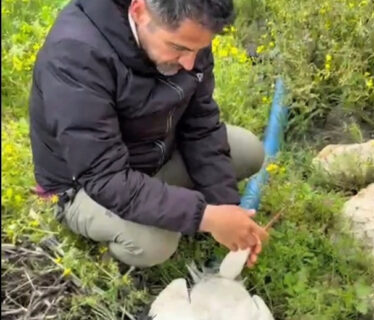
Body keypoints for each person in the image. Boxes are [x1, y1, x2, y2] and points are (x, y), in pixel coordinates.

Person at [29, 0, 269, 268]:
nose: (190, 63)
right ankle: (112, 258)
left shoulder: (190, 28)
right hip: (87, 184)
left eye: (198, 50)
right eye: (178, 48)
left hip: (152, 153)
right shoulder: (75, 55)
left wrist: (227, 207)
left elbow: (200, 125)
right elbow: (105, 177)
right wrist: (207, 217)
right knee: (155, 244)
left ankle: (162, 203)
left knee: (249, 151)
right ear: (140, 11)